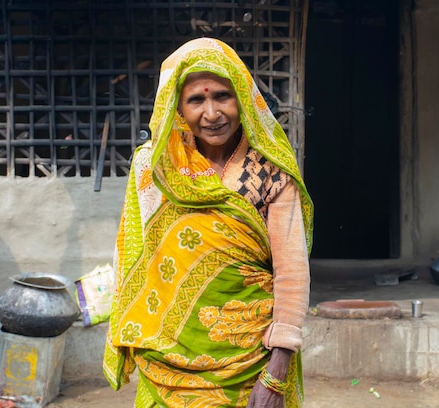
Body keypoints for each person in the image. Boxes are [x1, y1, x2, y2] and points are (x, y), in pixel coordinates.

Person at [103, 37, 314, 408]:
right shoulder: (155, 170)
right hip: (164, 363)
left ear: (243, 99)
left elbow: (292, 274)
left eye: (222, 96)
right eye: (196, 100)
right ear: (178, 107)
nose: (212, 113)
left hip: (249, 367)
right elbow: (134, 259)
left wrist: (276, 374)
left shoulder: (271, 172)